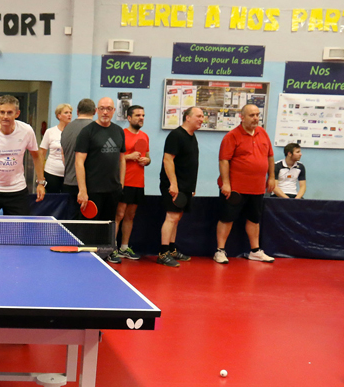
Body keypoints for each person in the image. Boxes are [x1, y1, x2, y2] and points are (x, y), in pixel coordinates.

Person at [214, 104, 276, 264]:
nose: (255, 118)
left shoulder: (263, 133)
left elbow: (270, 157)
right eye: (251, 115)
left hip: (257, 187)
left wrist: (271, 177)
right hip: (235, 188)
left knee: (254, 219)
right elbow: (224, 160)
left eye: (257, 115)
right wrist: (226, 183)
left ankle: (255, 251)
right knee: (227, 218)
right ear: (242, 117)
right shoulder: (232, 136)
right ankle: (220, 251)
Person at [75, 97, 125, 263]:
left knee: (109, 224)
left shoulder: (119, 131)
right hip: (92, 189)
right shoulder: (87, 132)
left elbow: (122, 159)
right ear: (96, 110)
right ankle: (88, 256)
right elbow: (79, 161)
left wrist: (121, 183)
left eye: (109, 108)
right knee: (90, 227)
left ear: (113, 111)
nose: (105, 112)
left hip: (113, 189)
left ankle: (108, 252)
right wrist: (83, 190)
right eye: (102, 108)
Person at [158, 107, 204, 268]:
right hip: (174, 185)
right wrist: (173, 183)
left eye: (202, 116)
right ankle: (163, 253)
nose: (202, 119)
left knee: (177, 218)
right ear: (188, 118)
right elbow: (167, 159)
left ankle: (172, 250)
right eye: (198, 116)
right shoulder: (176, 135)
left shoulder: (192, 136)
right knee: (171, 217)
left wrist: (191, 187)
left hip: (185, 186)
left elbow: (189, 163)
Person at [116, 105, 151, 260]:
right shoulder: (121, 134)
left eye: (143, 115)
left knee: (130, 216)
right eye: (137, 115)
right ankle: (112, 247)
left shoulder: (145, 136)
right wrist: (128, 157)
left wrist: (147, 161)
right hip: (124, 181)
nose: (141, 118)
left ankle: (124, 248)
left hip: (138, 183)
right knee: (119, 214)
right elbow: (114, 158)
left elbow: (147, 157)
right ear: (129, 118)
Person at [60, 98, 96, 213]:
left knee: (71, 220)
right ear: (95, 111)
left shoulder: (66, 128)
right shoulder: (95, 129)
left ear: (77, 111)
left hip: (68, 182)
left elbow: (63, 156)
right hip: (87, 185)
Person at [39, 104, 71, 194]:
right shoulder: (50, 132)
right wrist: (40, 176)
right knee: (53, 198)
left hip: (68, 174)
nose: (69, 115)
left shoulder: (73, 132)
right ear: (59, 115)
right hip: (52, 172)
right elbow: (42, 154)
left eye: (70, 113)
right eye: (66, 113)